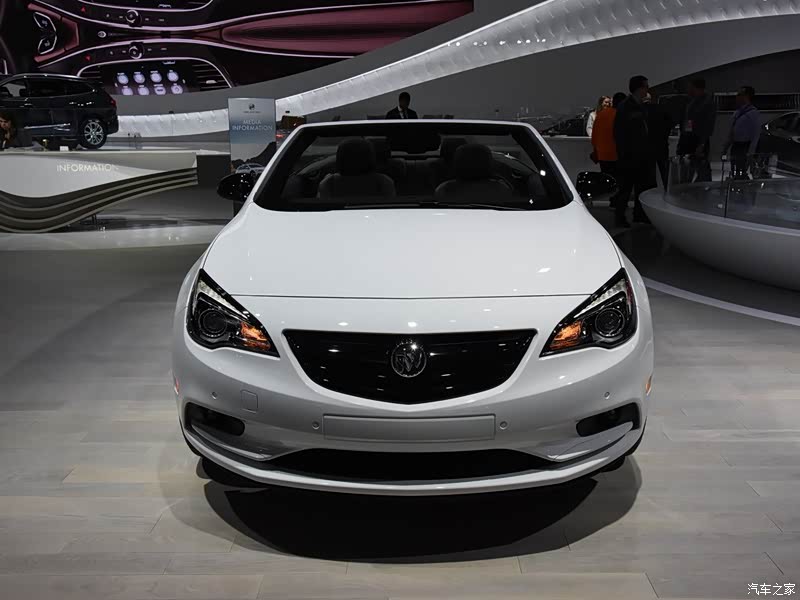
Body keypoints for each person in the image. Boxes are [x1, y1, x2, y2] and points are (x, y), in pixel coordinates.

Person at [613, 75, 656, 227]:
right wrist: (624, 153)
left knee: (641, 187)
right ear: (639, 88)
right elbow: (619, 133)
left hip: (642, 155)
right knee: (625, 188)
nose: (647, 89)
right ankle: (620, 217)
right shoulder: (625, 107)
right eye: (646, 86)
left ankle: (639, 215)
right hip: (629, 156)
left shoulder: (640, 106)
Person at [677, 78, 716, 182]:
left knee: (702, 171)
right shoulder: (691, 101)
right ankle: (687, 187)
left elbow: (708, 125)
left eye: (690, 87)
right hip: (688, 140)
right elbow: (688, 121)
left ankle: (700, 189)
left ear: (696, 88)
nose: (688, 89)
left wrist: (701, 144)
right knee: (687, 171)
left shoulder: (707, 103)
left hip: (698, 141)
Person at [724, 86, 761, 180]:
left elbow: (756, 134)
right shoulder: (737, 112)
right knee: (735, 170)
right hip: (736, 146)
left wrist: (751, 152)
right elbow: (732, 132)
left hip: (745, 147)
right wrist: (725, 147)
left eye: (739, 94)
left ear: (746, 96)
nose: (737, 97)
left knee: (742, 172)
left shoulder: (753, 113)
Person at [644, 92, 674, 189]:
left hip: (647, 145)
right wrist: (665, 135)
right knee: (664, 169)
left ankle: (651, 190)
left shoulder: (641, 110)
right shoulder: (661, 108)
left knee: (650, 172)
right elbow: (671, 122)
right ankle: (668, 188)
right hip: (662, 144)